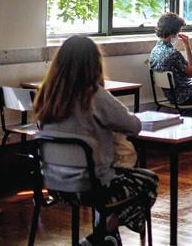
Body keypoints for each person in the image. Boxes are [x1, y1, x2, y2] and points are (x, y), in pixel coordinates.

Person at [34, 36, 158, 244]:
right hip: (92, 186)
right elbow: (133, 126)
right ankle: (103, 233)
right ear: (94, 64)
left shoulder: (47, 94)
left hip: (55, 186)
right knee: (148, 181)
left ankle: (108, 236)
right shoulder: (94, 95)